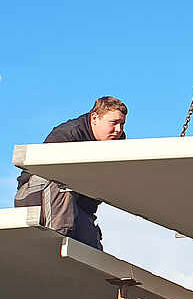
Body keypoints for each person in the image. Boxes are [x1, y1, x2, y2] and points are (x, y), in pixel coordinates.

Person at [15, 97, 127, 250]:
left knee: (91, 251)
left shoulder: (117, 142)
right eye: (113, 123)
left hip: (76, 205)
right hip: (36, 194)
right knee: (61, 181)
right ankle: (56, 241)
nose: (118, 130)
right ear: (95, 118)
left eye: (122, 124)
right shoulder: (68, 134)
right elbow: (47, 174)